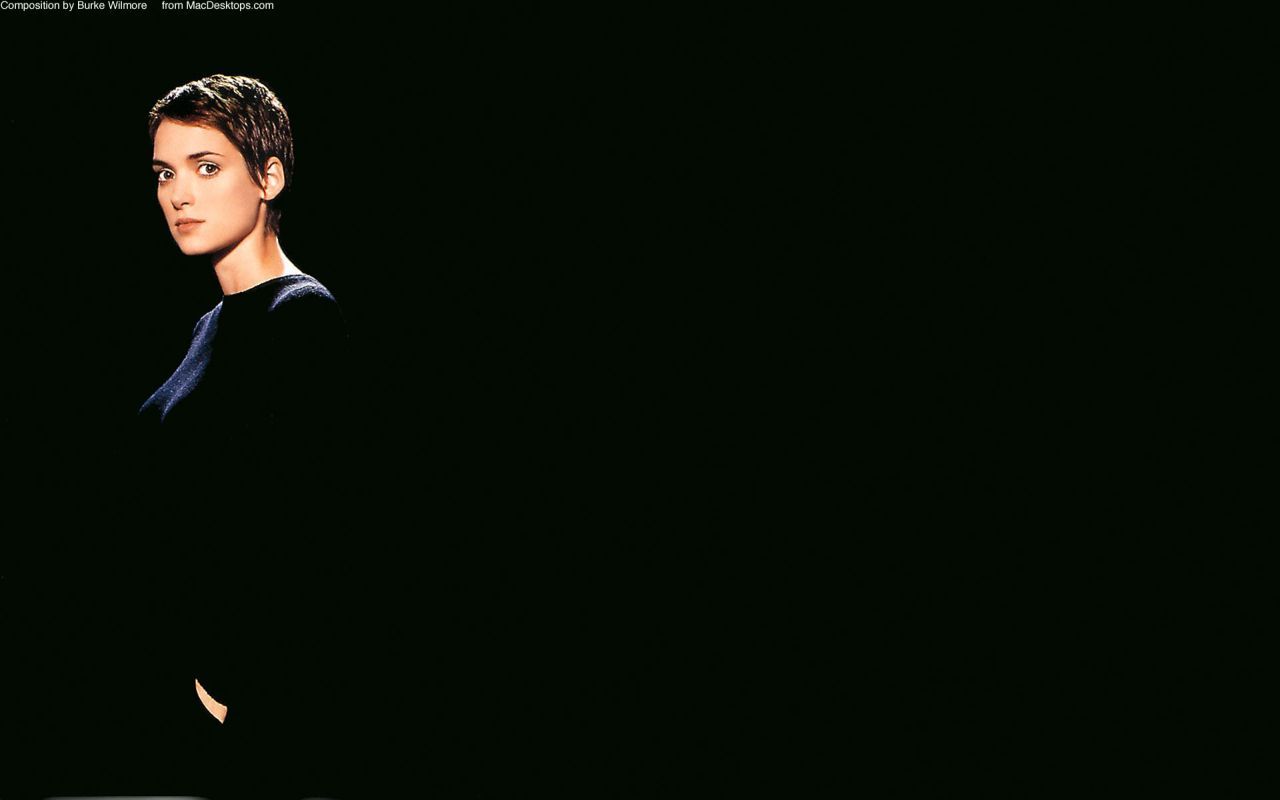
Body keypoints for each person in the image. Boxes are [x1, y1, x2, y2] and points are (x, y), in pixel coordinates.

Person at [130, 73, 358, 796]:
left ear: (270, 178)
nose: (178, 195)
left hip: (253, 714)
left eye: (206, 167)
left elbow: (306, 541)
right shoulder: (212, 324)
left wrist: (230, 694)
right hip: (181, 697)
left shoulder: (299, 318)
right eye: (165, 172)